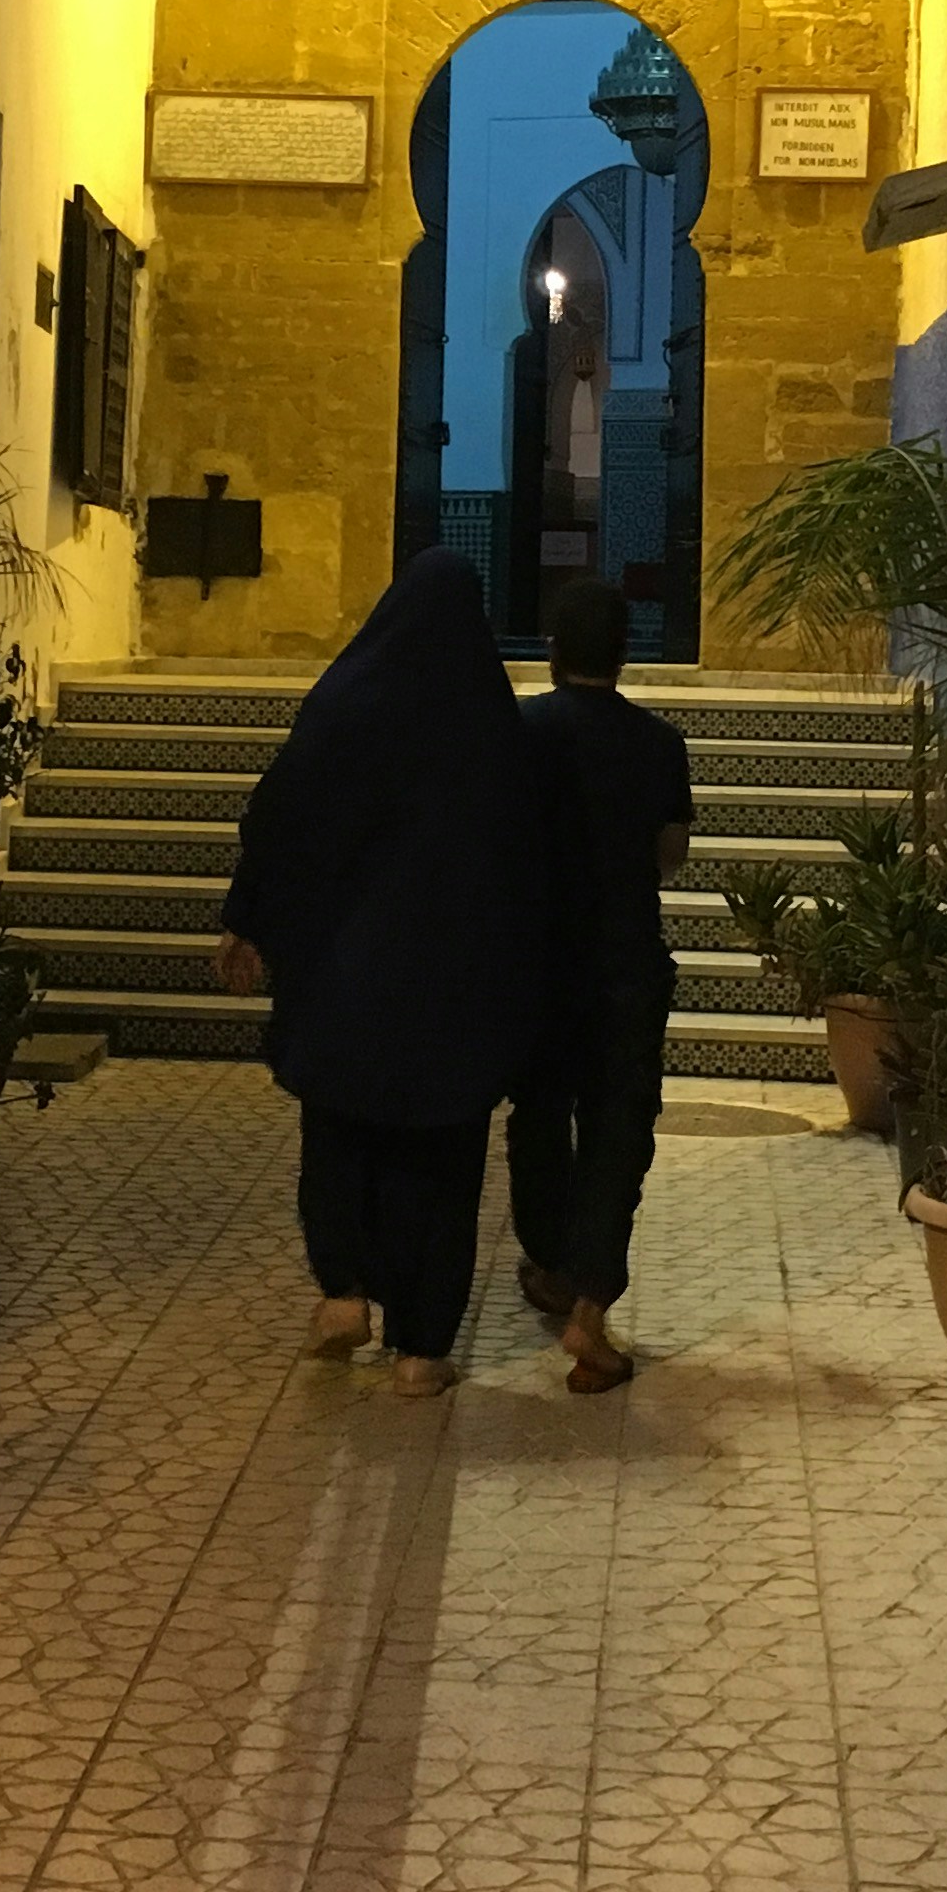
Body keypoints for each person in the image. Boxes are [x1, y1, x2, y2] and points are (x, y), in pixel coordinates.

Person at [215, 550, 545, 1396]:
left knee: (338, 1131)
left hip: (343, 977)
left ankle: (343, 1292)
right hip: (451, 987)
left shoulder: (345, 701)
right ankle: (421, 1349)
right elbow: (523, 860)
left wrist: (248, 920)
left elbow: (276, 817)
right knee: (441, 1161)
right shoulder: (489, 722)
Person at [505, 575, 695, 1393]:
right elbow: (670, 854)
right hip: (624, 959)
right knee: (619, 1128)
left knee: (538, 1113)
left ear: (553, 652)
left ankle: (548, 1262)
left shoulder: (518, 732)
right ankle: (588, 1308)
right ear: (624, 655)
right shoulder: (658, 743)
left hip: (538, 957)